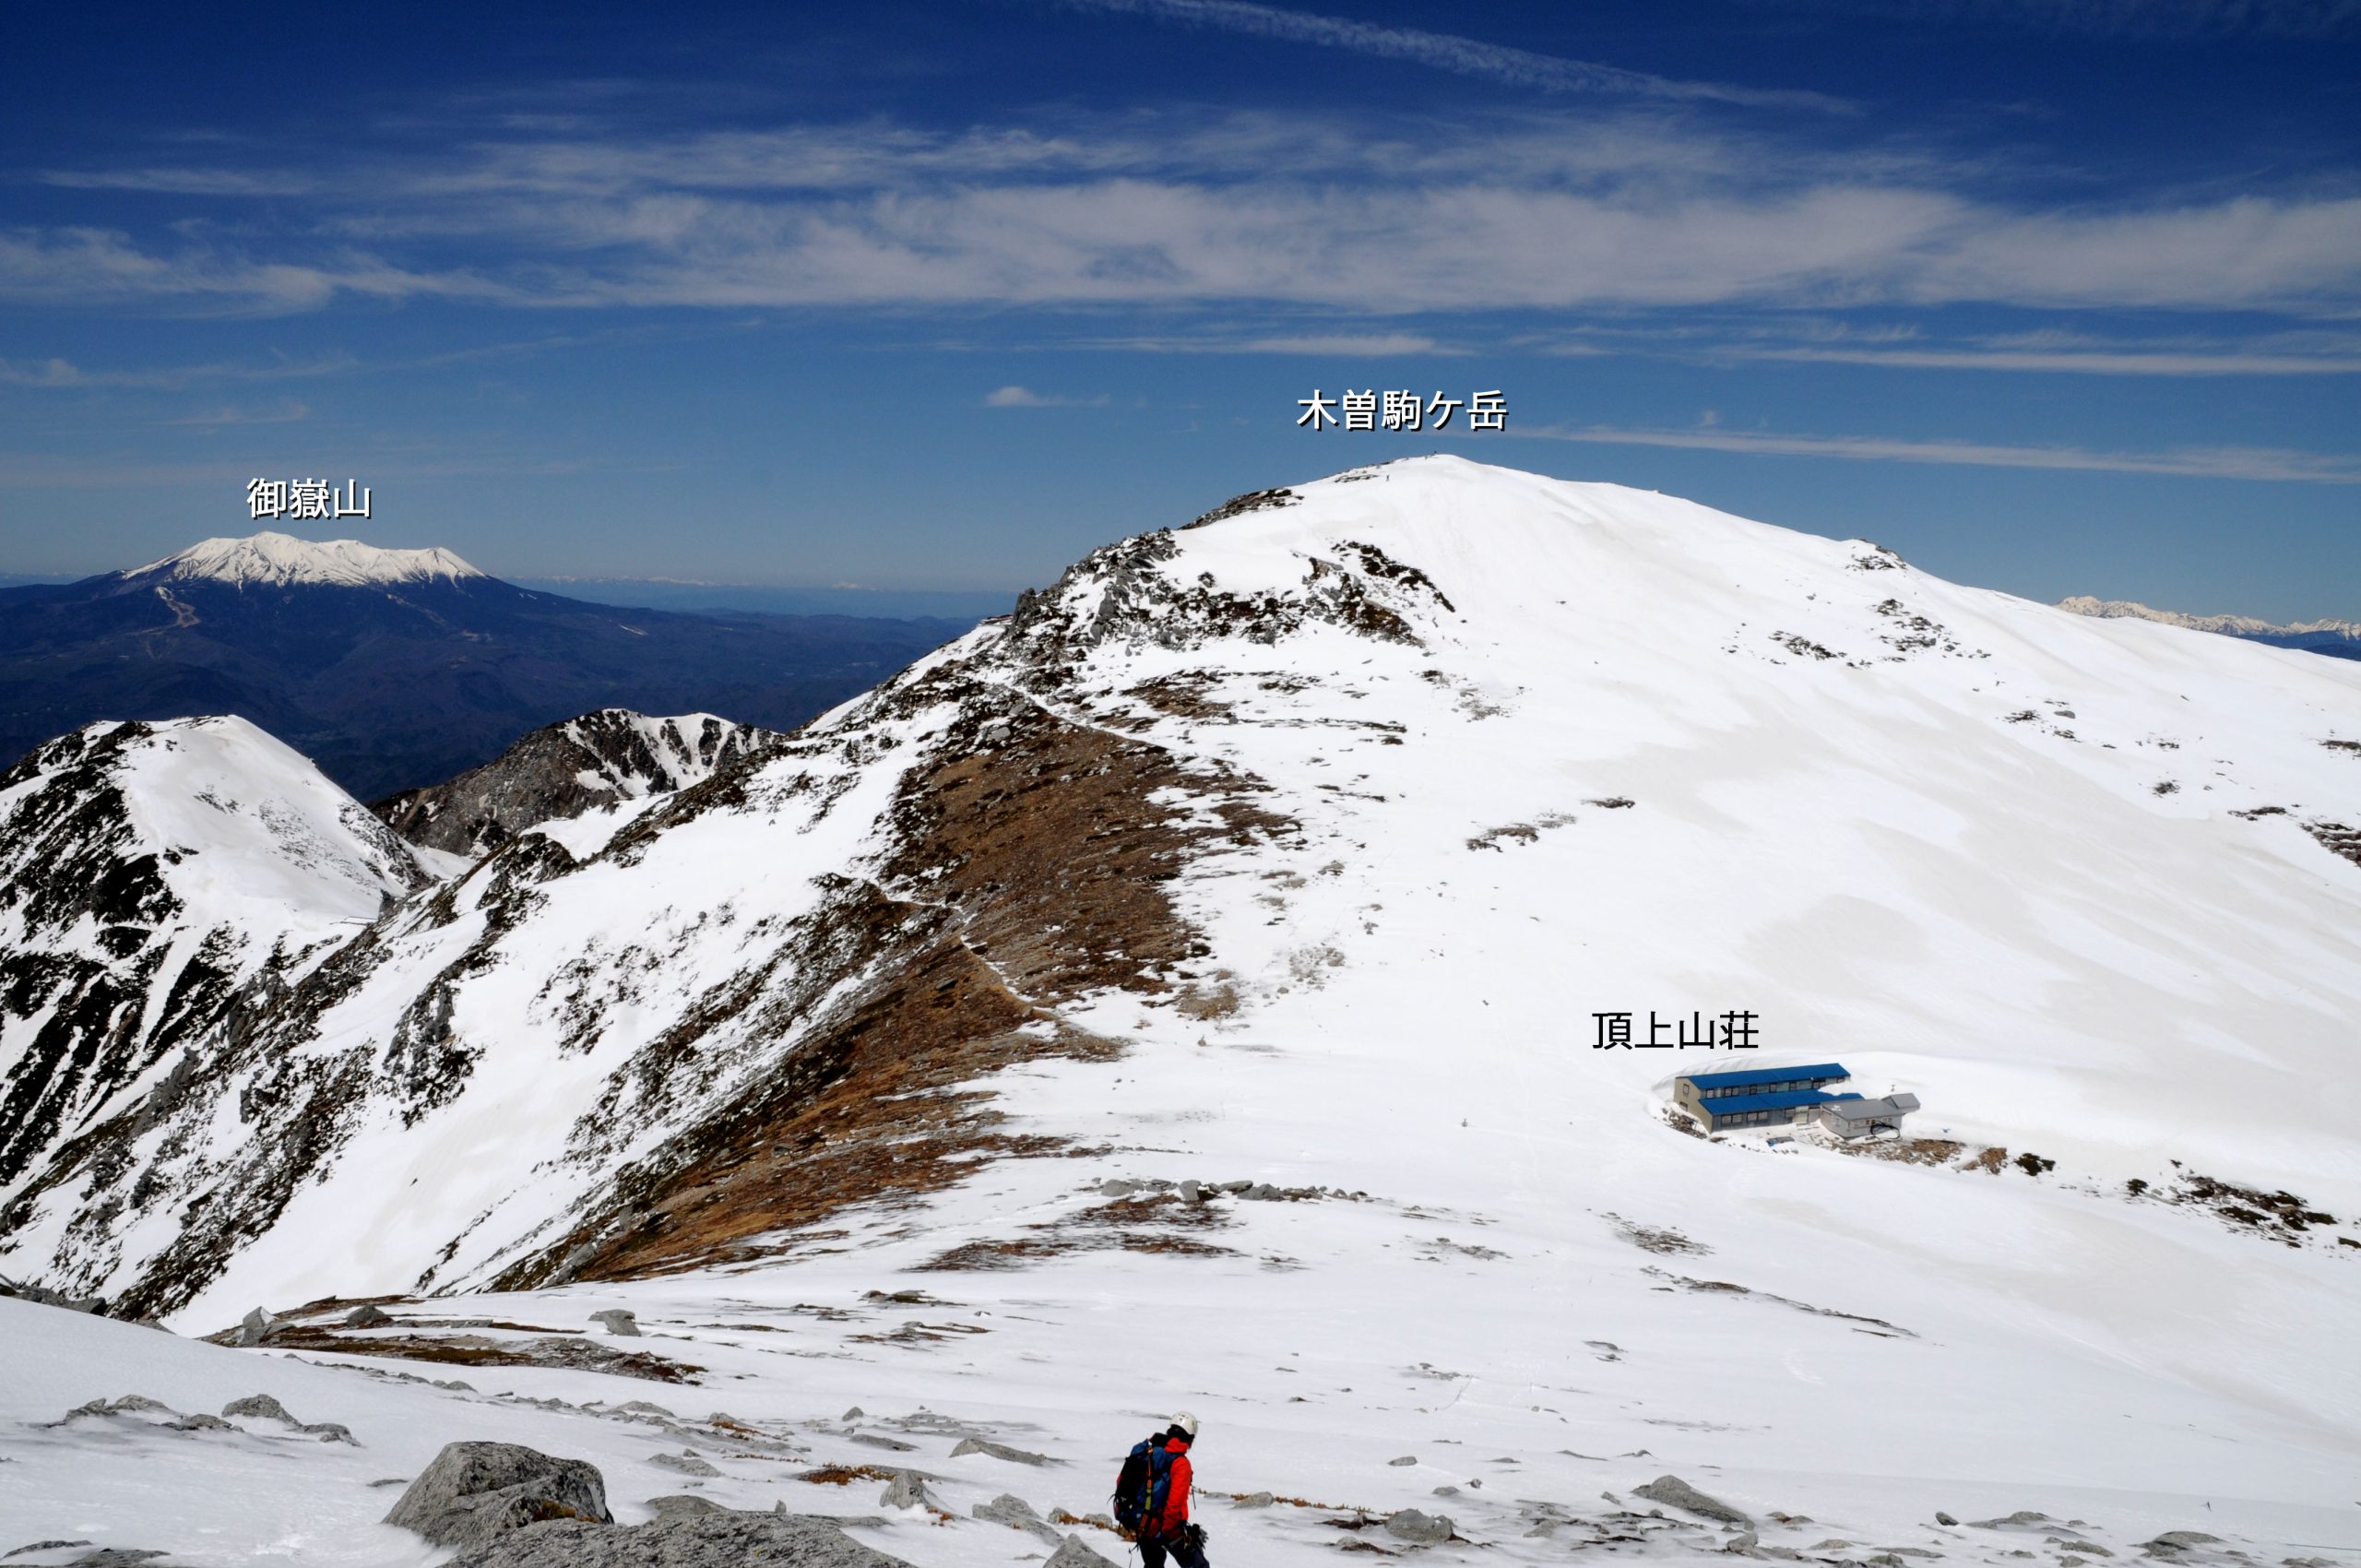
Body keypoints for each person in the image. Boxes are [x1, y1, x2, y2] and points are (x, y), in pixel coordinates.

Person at [1137, 1411, 1207, 1568]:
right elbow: (1174, 1505)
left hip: (1142, 1524)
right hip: (1164, 1528)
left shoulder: (1150, 1452)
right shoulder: (1181, 1464)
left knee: (1153, 1565)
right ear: (1190, 1439)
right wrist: (1171, 1533)